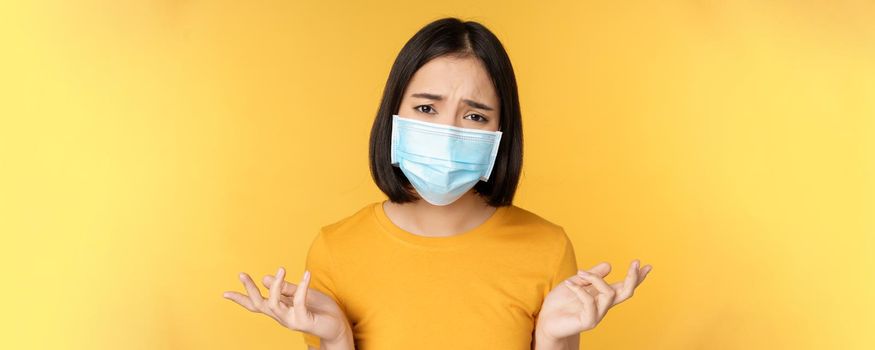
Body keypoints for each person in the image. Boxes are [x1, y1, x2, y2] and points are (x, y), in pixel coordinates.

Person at [223, 17, 653, 350]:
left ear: (501, 133)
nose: (448, 130)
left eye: (474, 115)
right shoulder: (335, 249)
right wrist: (337, 340)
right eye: (427, 109)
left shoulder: (548, 247)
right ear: (395, 114)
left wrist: (553, 341)